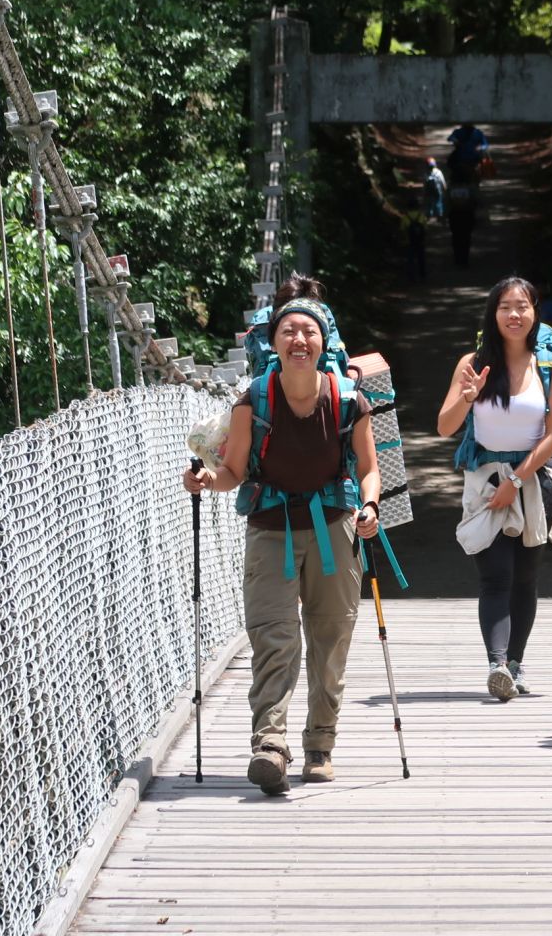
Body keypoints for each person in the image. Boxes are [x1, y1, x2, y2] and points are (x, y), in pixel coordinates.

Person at [182, 273, 383, 793]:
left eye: (309, 331)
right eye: (289, 331)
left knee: (330, 638)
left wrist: (369, 505)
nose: (299, 339)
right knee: (273, 635)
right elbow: (234, 471)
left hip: (334, 525)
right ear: (273, 341)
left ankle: (320, 745)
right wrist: (207, 481)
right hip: (270, 528)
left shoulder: (348, 400)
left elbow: (368, 468)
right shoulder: (253, 400)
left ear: (324, 343)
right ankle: (270, 745)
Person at [436, 277, 552, 700]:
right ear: (492, 314)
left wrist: (516, 480)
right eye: (505, 307)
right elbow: (444, 427)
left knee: (526, 577)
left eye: (522, 306)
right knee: (496, 574)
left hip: (534, 479)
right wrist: (467, 396)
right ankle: (497, 665)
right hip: (485, 480)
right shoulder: (472, 363)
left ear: (535, 312)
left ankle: (515, 662)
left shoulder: (549, 366)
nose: (514, 314)